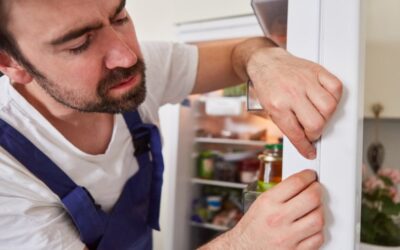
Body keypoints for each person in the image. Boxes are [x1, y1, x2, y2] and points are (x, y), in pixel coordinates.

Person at [0, 0, 342, 249]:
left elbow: (241, 49)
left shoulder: (138, 70)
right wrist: (243, 244)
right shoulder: (7, 169)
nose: (127, 57)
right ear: (11, 63)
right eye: (79, 44)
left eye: (120, 17)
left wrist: (264, 61)